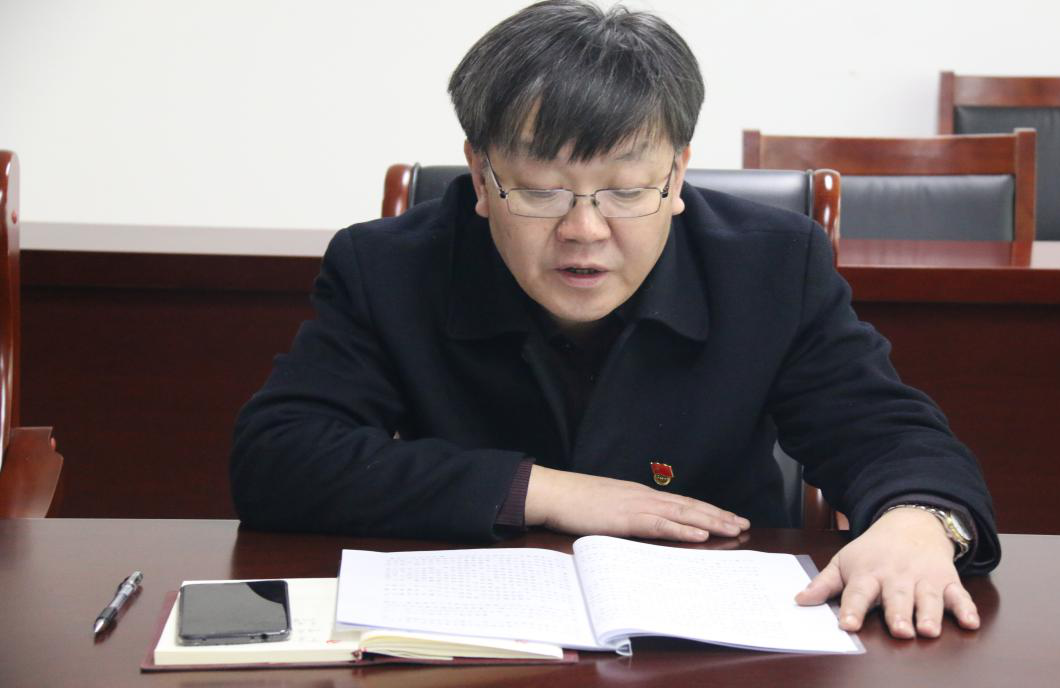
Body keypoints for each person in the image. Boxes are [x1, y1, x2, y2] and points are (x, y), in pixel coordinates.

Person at [231, 0, 1000, 641]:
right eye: (541, 191)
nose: (584, 229)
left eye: (627, 190)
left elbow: (884, 431)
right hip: (478, 639)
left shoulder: (769, 264)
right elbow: (278, 457)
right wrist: (540, 491)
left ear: (677, 174)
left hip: (718, 639)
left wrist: (917, 519)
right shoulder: (388, 267)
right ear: (481, 177)